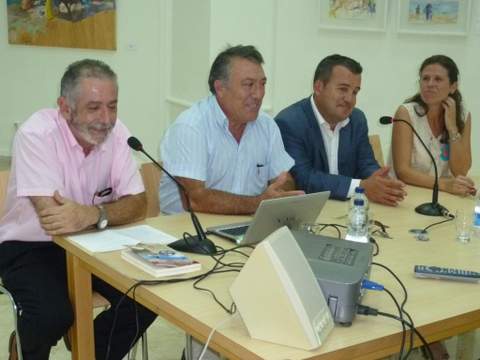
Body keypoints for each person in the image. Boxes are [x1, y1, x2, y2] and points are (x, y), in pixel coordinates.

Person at [0, 59, 156, 360]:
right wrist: (103, 212)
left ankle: (90, 352)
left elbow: (138, 202)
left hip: (95, 239)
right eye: (94, 107)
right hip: (30, 245)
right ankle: (22, 347)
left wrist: (95, 214)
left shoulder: (119, 133)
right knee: (51, 315)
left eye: (112, 106)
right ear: (64, 107)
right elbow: (54, 217)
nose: (106, 118)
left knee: (147, 295)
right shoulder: (36, 134)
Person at [159, 45, 302, 215]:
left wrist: (280, 191)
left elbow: (284, 179)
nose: (258, 94)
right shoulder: (191, 127)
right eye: (249, 85)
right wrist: (259, 203)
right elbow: (195, 199)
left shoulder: (267, 125)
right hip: (188, 231)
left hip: (244, 225)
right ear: (220, 88)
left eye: (262, 84)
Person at [275, 54, 406, 206]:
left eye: (355, 92)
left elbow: (366, 163)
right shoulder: (290, 122)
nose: (350, 99)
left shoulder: (357, 119)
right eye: (343, 89)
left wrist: (380, 181)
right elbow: (304, 178)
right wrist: (361, 187)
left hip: (348, 211)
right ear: (318, 87)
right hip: (311, 211)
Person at [390, 55, 476, 197]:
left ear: (453, 86)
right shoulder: (406, 113)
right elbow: (403, 172)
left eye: (438, 79)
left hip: (444, 197)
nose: (430, 84)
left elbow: (461, 171)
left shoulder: (463, 116)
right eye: (425, 78)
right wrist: (444, 184)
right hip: (407, 195)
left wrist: (452, 128)